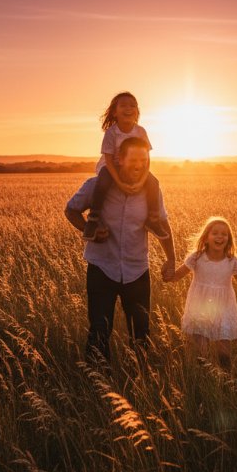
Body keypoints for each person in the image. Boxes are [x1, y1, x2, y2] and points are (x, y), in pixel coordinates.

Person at [65, 136, 176, 362]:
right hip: (101, 268)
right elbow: (71, 210)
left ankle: (139, 380)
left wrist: (171, 259)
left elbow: (162, 224)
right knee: (99, 330)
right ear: (119, 160)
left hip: (137, 270)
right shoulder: (96, 186)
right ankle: (98, 381)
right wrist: (89, 229)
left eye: (143, 160)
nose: (139, 165)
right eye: (133, 159)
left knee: (141, 333)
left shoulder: (152, 191)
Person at [167, 217, 237, 369]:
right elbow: (176, 276)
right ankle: (202, 382)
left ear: (228, 239)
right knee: (200, 354)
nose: (220, 237)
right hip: (199, 307)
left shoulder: (232, 261)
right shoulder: (197, 257)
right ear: (206, 237)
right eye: (215, 233)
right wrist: (167, 271)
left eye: (224, 234)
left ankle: (225, 383)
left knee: (224, 353)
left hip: (223, 309)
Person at [83, 91, 169, 242]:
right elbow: (109, 160)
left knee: (154, 182)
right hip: (111, 168)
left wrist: (142, 181)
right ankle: (93, 219)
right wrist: (120, 183)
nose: (128, 108)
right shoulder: (112, 132)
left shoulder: (140, 131)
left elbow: (147, 159)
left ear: (137, 111)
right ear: (115, 112)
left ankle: (153, 220)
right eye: (123, 105)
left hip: (135, 166)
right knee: (102, 182)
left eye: (133, 105)